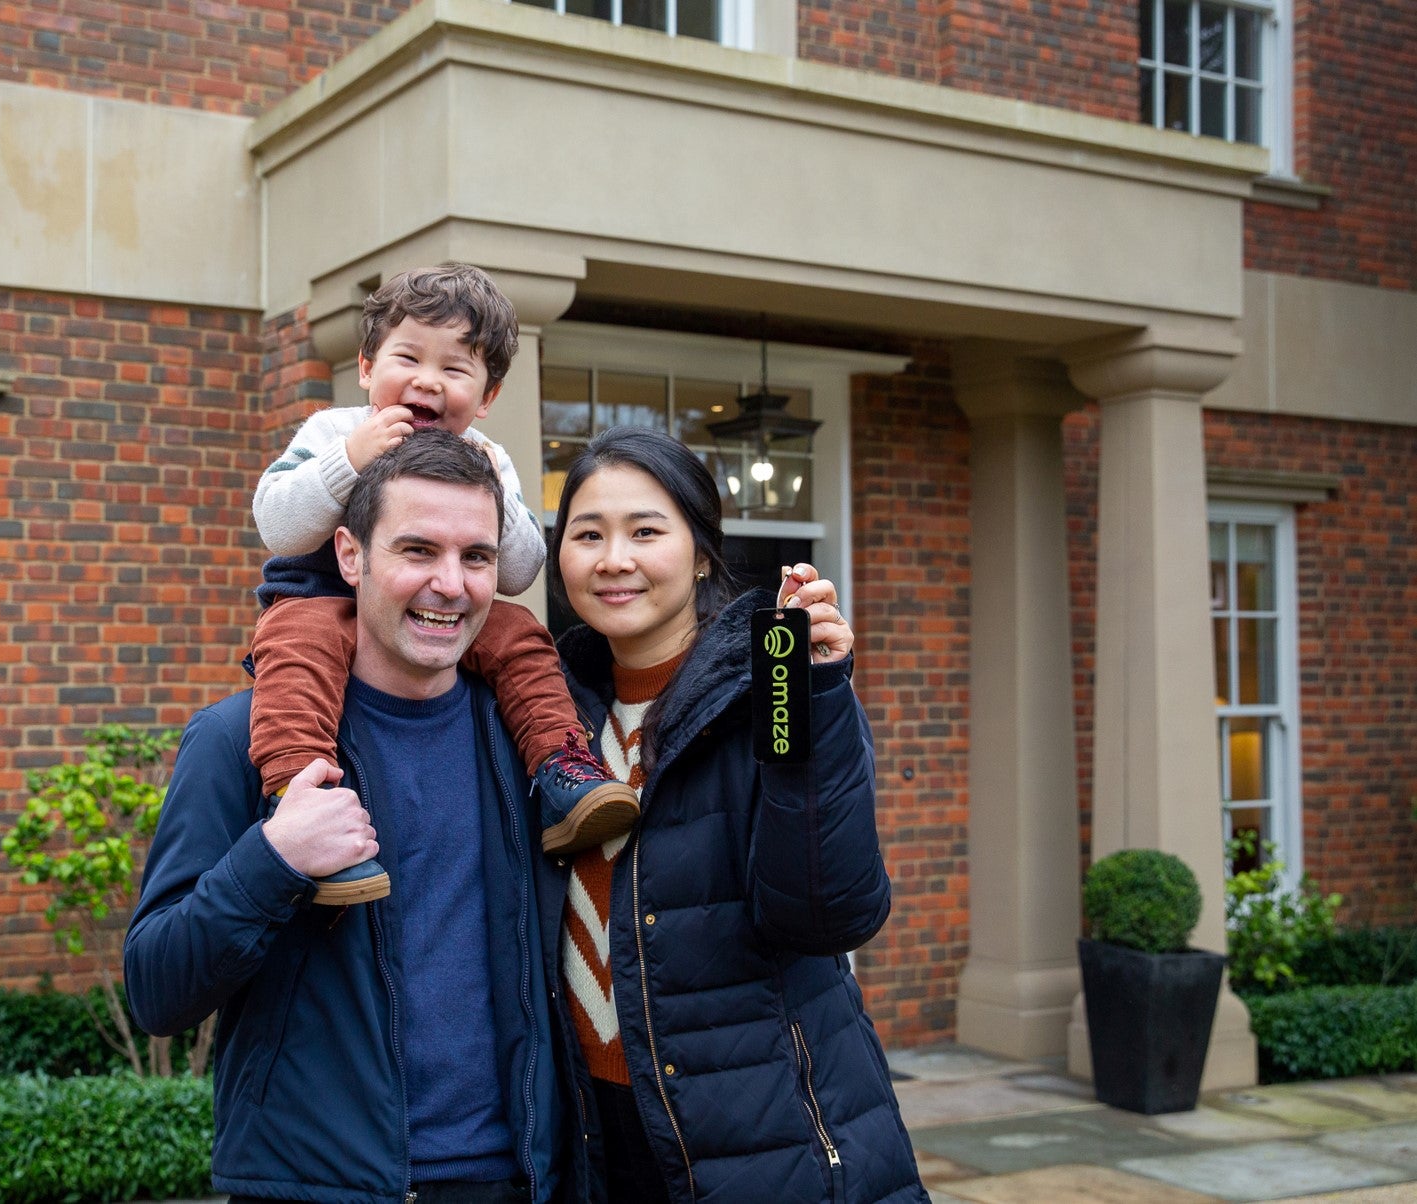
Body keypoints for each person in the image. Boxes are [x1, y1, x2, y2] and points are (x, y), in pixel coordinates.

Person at [125, 430, 574, 1204]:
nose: (451, 585)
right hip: (316, 1185)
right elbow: (156, 991)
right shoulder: (239, 739)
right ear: (350, 556)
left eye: (475, 557)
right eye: (417, 550)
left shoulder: (532, 747)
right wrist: (271, 860)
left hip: (515, 1181)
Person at [539, 427, 928, 1203]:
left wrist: (814, 698)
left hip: (761, 1141)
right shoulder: (551, 714)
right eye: (588, 534)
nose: (613, 558)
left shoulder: (771, 691)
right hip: (592, 1137)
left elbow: (826, 913)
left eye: (645, 531)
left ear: (701, 553)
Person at [248, 262, 637, 904]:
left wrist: (498, 494)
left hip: (439, 611)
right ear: (368, 367)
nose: (428, 381)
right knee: (295, 657)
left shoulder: (487, 457)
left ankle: (563, 771)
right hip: (319, 598)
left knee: (520, 636)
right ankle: (303, 802)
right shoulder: (335, 432)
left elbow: (515, 570)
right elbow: (278, 525)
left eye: (455, 370)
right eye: (409, 358)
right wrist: (348, 464)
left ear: (486, 397)